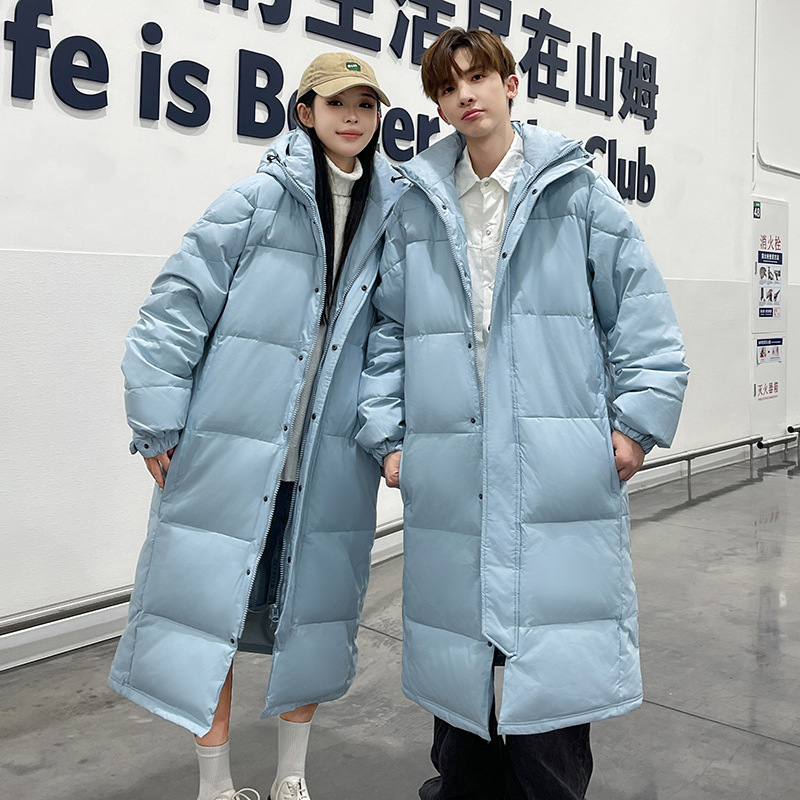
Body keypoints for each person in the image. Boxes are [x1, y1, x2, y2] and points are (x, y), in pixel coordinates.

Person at [357, 28, 689, 800]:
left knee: (551, 677)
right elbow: (387, 331)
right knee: (459, 667)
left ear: (511, 84)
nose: (465, 95)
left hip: (554, 464)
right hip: (452, 464)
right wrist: (387, 437)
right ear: (439, 105)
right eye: (448, 87)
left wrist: (635, 426)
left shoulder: (576, 192)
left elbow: (641, 313)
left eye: (478, 77)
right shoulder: (418, 204)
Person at [108, 52, 403, 800]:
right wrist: (158, 422)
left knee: (313, 619)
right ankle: (215, 786)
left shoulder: (392, 217)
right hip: (231, 454)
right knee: (208, 618)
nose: (352, 117)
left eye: (366, 105)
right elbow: (173, 308)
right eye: (337, 103)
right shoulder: (255, 200)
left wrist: (385, 432)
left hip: (329, 460)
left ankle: (292, 779)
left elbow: (392, 340)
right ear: (305, 112)